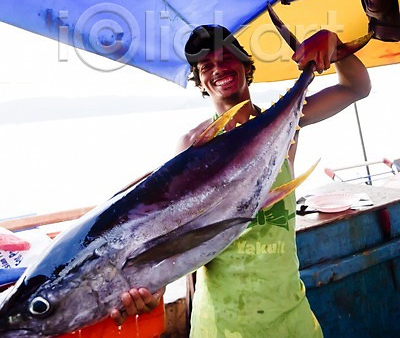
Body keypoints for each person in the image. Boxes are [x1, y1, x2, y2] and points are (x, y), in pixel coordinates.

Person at [111, 24, 371, 337]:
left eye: (227, 58)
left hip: (291, 318)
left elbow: (356, 87)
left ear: (247, 67)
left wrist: (335, 47)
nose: (218, 68)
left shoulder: (285, 123)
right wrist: (154, 290)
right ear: (202, 84)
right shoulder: (191, 147)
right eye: (206, 66)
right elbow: (173, 233)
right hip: (222, 325)